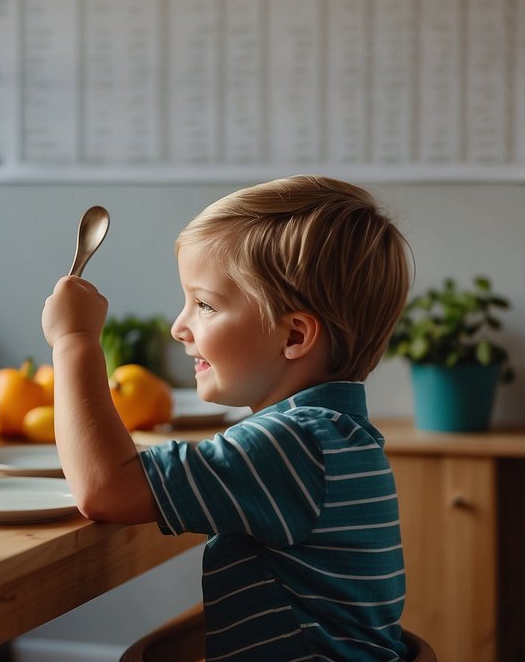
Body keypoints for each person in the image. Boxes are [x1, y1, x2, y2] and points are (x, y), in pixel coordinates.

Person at [41, 175, 412, 661]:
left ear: (295, 337)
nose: (179, 327)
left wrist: (75, 343)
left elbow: (105, 489)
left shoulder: (295, 444)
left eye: (204, 304)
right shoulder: (333, 436)